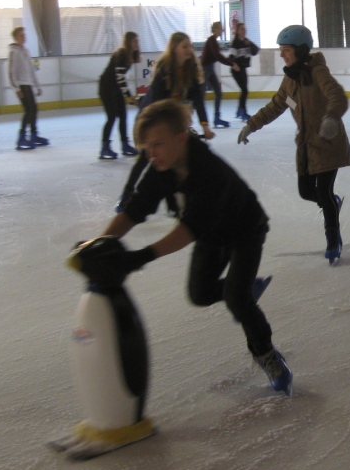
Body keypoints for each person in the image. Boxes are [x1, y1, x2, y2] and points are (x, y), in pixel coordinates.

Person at [99, 99, 292, 395]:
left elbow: (188, 230)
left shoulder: (208, 171)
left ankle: (267, 354)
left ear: (182, 137)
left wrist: (138, 258)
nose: (152, 154)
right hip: (212, 236)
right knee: (199, 294)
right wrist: (101, 244)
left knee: (237, 299)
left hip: (244, 230)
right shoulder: (162, 167)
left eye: (158, 145)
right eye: (147, 147)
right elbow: (134, 210)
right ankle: (245, 289)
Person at [238, 24, 350, 264]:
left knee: (323, 190)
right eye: (281, 49)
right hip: (306, 145)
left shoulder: (318, 72)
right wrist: (251, 124)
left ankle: (333, 239)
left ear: (300, 50)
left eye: (286, 49)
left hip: (328, 141)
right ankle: (332, 202)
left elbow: (337, 96)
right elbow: (276, 106)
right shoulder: (290, 80)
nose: (282, 54)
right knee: (306, 191)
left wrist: (331, 117)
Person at [118, 32, 213, 209]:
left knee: (178, 157)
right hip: (150, 117)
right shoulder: (164, 69)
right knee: (146, 158)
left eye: (190, 46)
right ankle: (127, 194)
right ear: (174, 48)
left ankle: (175, 201)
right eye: (184, 46)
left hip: (171, 117)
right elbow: (156, 103)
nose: (189, 50)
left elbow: (198, 100)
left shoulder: (190, 69)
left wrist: (205, 126)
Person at [98, 31, 141, 160]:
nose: (137, 43)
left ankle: (125, 144)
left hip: (115, 88)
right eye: (134, 41)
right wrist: (129, 96)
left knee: (123, 115)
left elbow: (120, 80)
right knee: (111, 117)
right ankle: (104, 147)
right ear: (128, 42)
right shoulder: (122, 53)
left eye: (137, 40)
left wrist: (127, 95)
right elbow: (120, 77)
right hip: (106, 87)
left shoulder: (131, 55)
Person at [7, 26, 47, 150]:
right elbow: (10, 72)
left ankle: (33, 135)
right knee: (29, 110)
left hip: (28, 84)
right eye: (21, 36)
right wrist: (16, 88)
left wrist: (37, 85)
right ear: (15, 38)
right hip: (21, 85)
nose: (24, 38)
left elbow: (31, 70)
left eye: (24, 35)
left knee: (34, 109)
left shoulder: (25, 51)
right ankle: (21, 138)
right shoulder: (13, 52)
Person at [201, 21, 235, 129]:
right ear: (215, 29)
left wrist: (230, 61)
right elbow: (218, 56)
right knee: (200, 96)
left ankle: (216, 117)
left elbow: (217, 56)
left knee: (218, 93)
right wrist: (231, 63)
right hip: (205, 70)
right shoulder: (211, 41)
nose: (222, 30)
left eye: (222, 28)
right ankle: (195, 120)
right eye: (220, 28)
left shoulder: (214, 41)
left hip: (209, 68)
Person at [229, 21, 259, 121]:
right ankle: (242, 111)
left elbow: (255, 51)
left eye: (245, 29)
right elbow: (231, 56)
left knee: (244, 91)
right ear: (237, 31)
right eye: (242, 29)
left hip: (243, 69)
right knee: (244, 90)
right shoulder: (235, 42)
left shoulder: (246, 41)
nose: (244, 30)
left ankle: (241, 110)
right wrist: (234, 64)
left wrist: (250, 43)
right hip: (236, 70)